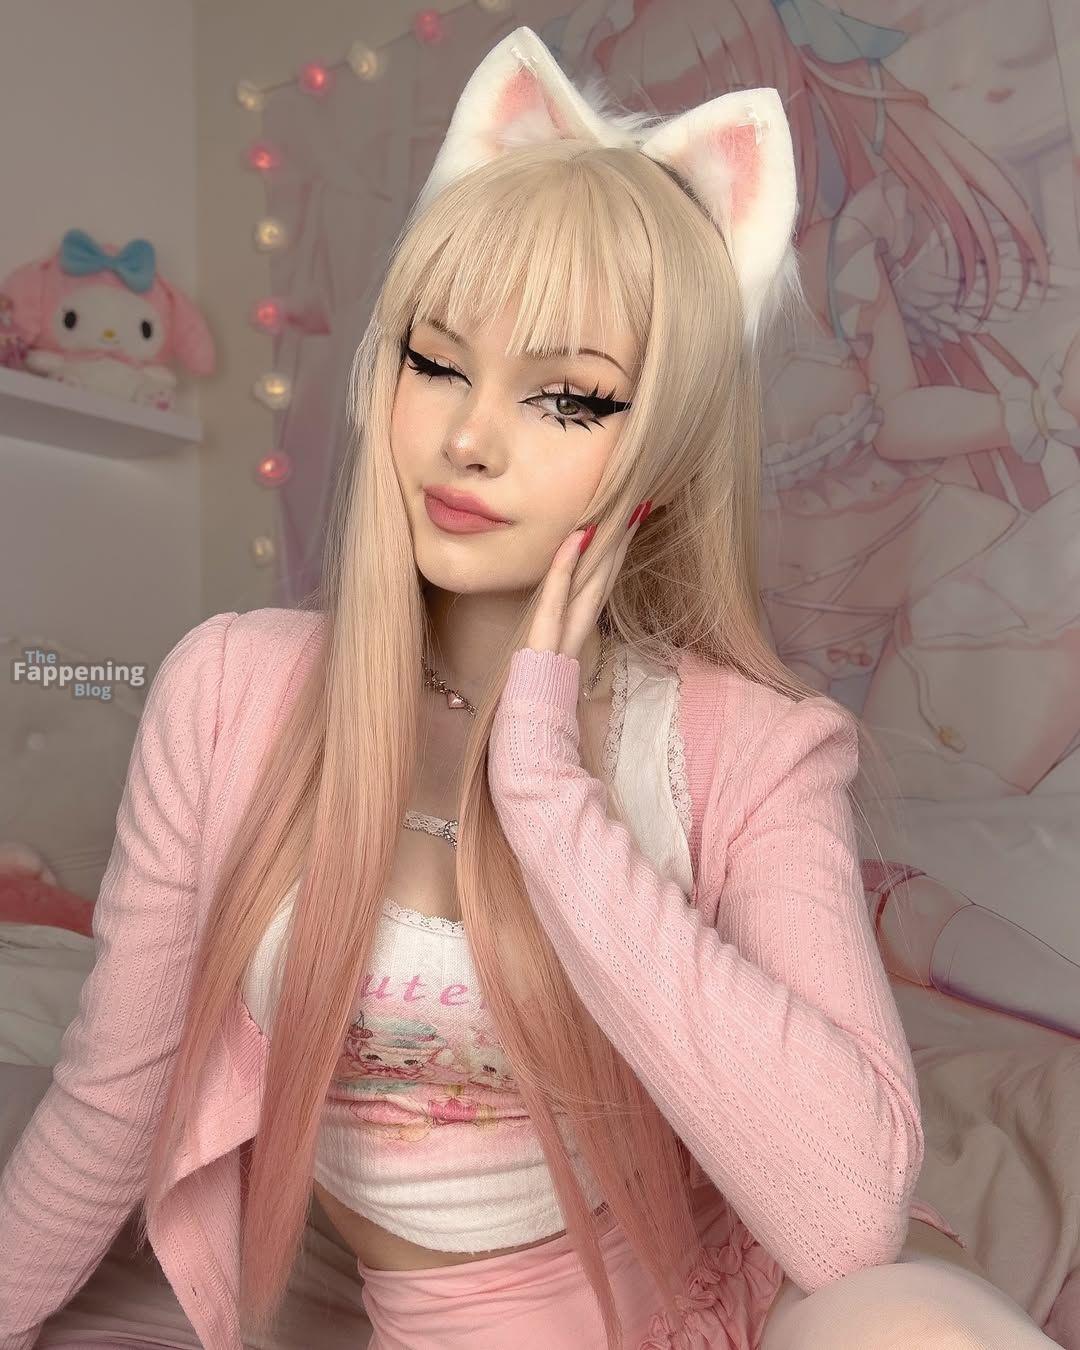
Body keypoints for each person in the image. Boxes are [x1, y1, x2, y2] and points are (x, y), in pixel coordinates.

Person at [0, 24, 1066, 1350]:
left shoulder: (753, 744)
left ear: (660, 456)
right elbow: (110, 1097)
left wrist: (551, 795)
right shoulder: (229, 690)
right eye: (437, 362)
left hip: (765, 1289)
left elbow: (845, 1217)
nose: (469, 436)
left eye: (568, 399)